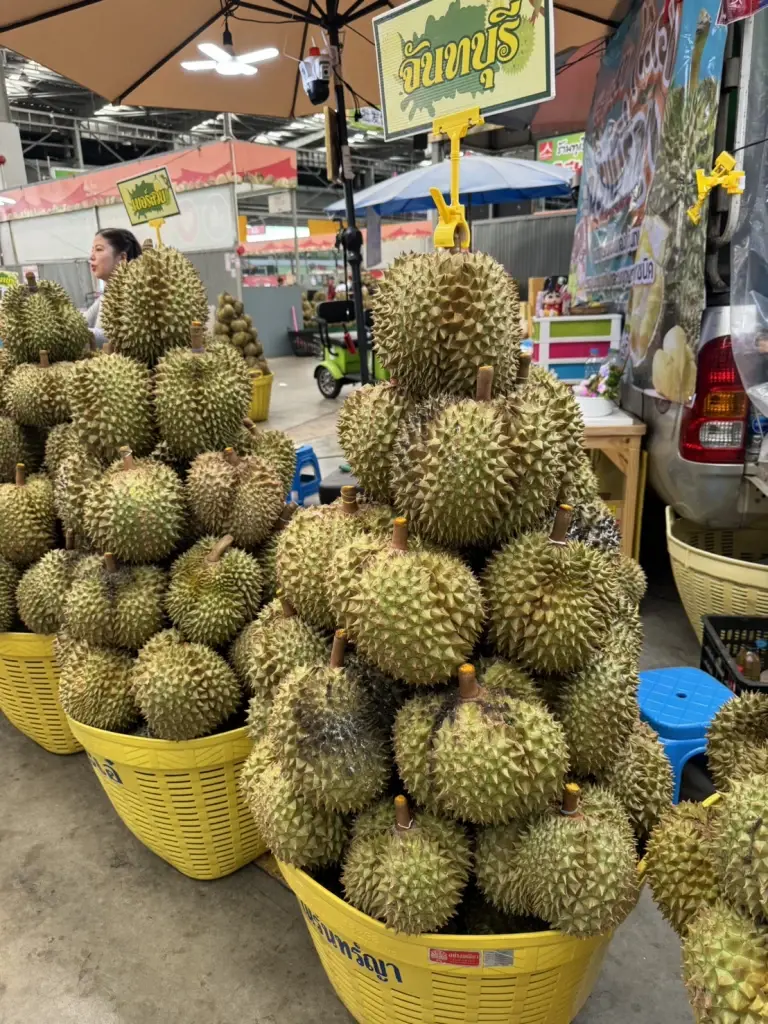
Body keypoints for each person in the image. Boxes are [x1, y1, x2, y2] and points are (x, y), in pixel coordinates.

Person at [86, 228, 141, 330]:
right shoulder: (106, 297)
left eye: (98, 249)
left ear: (122, 258)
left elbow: (113, 338)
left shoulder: (135, 295)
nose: (91, 257)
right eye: (92, 250)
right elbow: (81, 322)